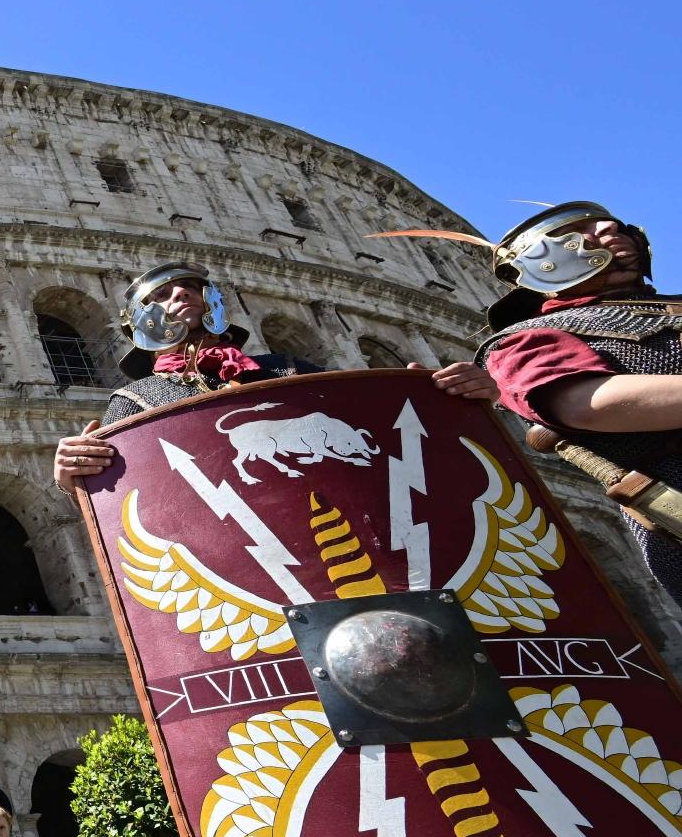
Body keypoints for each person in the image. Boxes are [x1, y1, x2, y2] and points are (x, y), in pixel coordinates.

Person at [52, 261, 499, 490]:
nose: (182, 294)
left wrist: (441, 397)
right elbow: (131, 494)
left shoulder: (283, 368)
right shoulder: (136, 399)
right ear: (141, 322)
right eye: (164, 295)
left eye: (191, 288)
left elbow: (371, 431)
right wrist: (72, 477)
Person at [451, 202, 682, 609]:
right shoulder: (526, 339)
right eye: (583, 232)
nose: (612, 229)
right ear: (542, 260)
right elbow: (589, 404)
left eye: (615, 225)